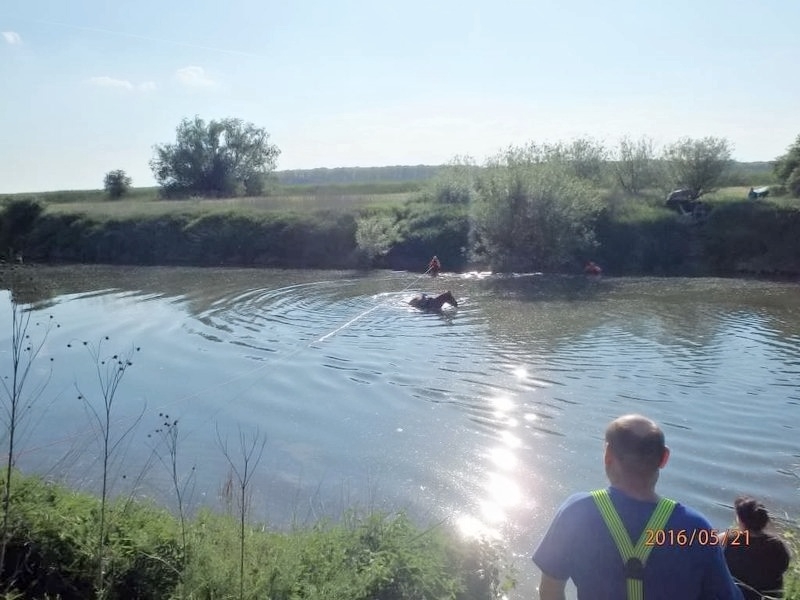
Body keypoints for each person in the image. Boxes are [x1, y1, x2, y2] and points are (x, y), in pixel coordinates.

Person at [533, 414, 743, 600]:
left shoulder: (576, 512)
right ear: (664, 458)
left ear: (607, 455)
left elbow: (549, 592)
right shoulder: (696, 529)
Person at [724, 496, 791, 600]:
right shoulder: (777, 545)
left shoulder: (732, 541)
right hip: (770, 596)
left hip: (739, 595)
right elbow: (784, 566)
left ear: (742, 522)